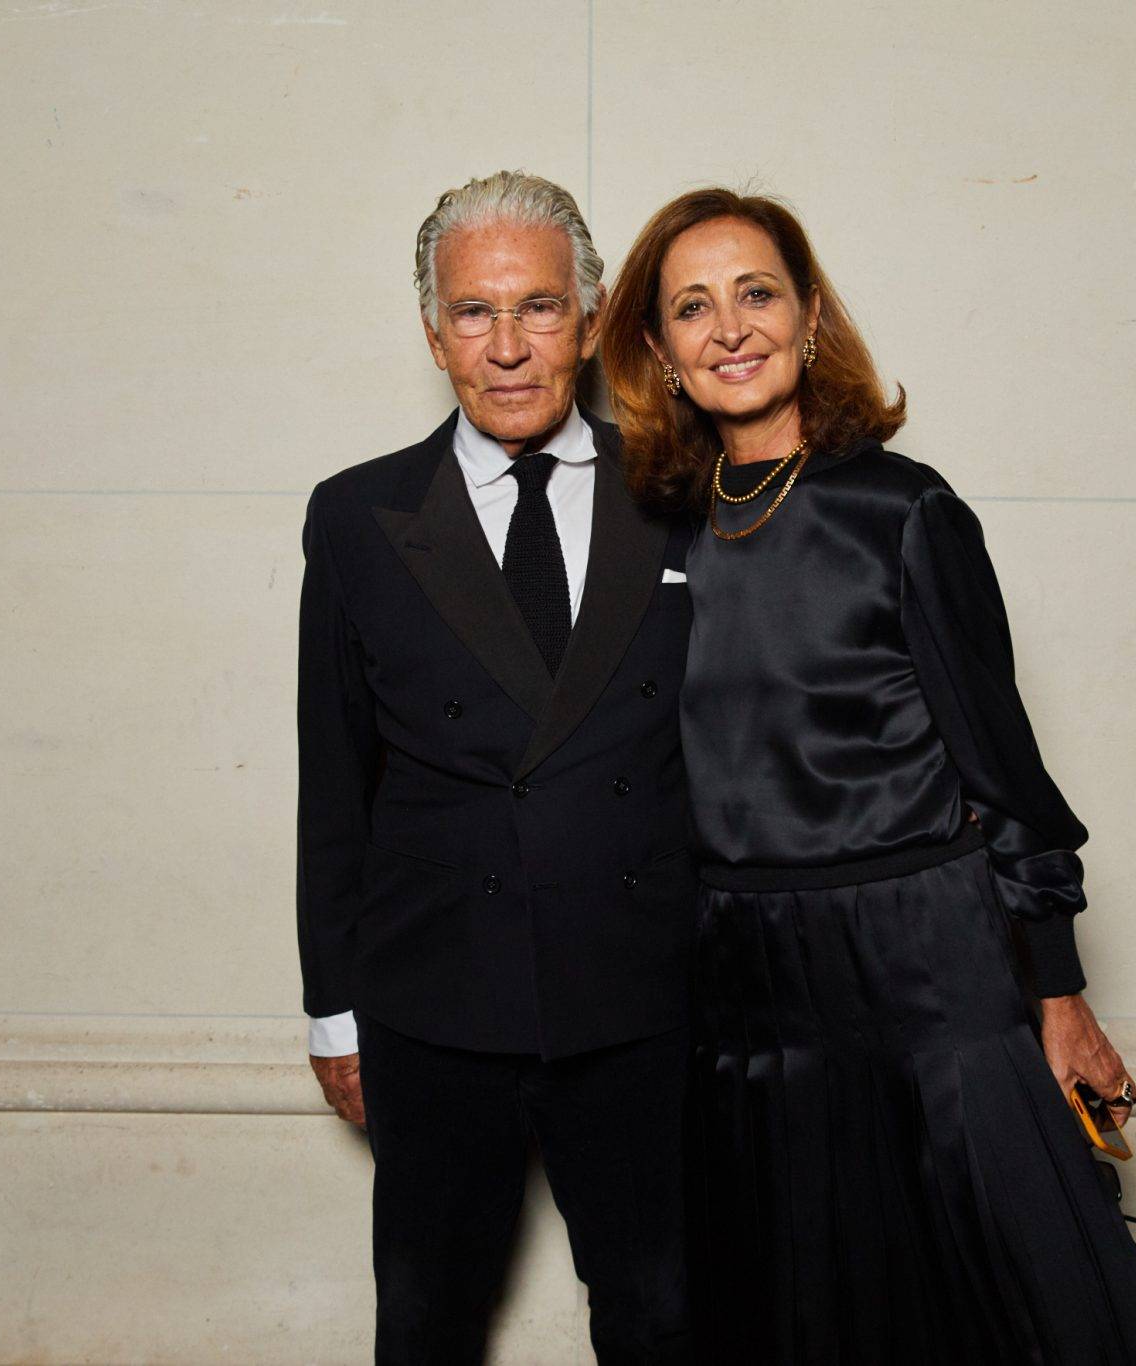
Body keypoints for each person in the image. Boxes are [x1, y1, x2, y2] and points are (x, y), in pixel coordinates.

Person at [598, 188, 1136, 1364]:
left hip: (922, 955)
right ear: (661, 353)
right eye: (691, 307)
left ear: (808, 315)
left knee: (1019, 1302)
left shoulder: (901, 509)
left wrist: (1058, 995)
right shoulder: (654, 537)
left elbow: (1007, 776)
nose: (729, 328)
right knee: (798, 1310)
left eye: (755, 293)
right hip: (739, 977)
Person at [296, 171, 696, 1365]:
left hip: (641, 995)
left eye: (538, 308)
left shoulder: (677, 488)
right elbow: (335, 778)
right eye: (474, 312)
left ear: (590, 320)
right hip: (433, 1002)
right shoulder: (358, 517)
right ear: (434, 335)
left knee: (665, 1317)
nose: (507, 347)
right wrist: (332, 1010)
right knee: (426, 1322)